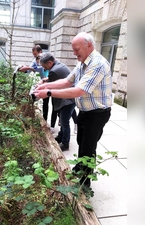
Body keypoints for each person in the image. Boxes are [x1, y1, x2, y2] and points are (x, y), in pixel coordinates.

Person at [34, 32, 112, 187]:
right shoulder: (82, 62)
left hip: (97, 114)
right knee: (82, 143)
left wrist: (48, 93)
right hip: (85, 111)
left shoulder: (97, 64)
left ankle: (84, 183)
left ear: (88, 45)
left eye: (77, 49)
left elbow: (78, 90)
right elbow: (67, 81)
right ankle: (80, 169)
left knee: (88, 148)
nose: (74, 53)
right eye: (73, 50)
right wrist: (46, 85)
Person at [38, 52, 75, 151]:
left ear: (50, 62)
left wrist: (41, 89)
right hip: (69, 97)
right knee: (63, 120)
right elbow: (54, 79)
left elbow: (51, 85)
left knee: (64, 122)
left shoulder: (53, 71)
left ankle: (65, 143)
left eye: (44, 66)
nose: (44, 69)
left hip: (66, 100)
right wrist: (45, 80)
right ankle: (60, 136)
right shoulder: (58, 65)